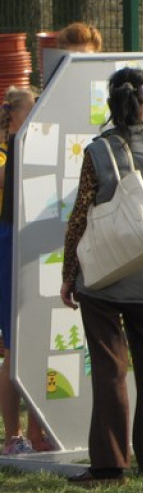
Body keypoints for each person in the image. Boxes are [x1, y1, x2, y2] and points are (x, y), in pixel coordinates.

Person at [60, 67, 143, 485]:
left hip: (101, 276)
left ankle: (109, 464)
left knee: (109, 368)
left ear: (110, 104)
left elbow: (80, 214)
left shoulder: (98, 151)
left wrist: (69, 273)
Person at [0, 87, 53, 454]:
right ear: (16, 116)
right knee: (13, 348)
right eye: (33, 109)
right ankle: (12, 436)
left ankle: (38, 432)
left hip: (32, 244)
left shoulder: (34, 148)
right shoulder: (9, 152)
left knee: (36, 342)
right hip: (9, 246)